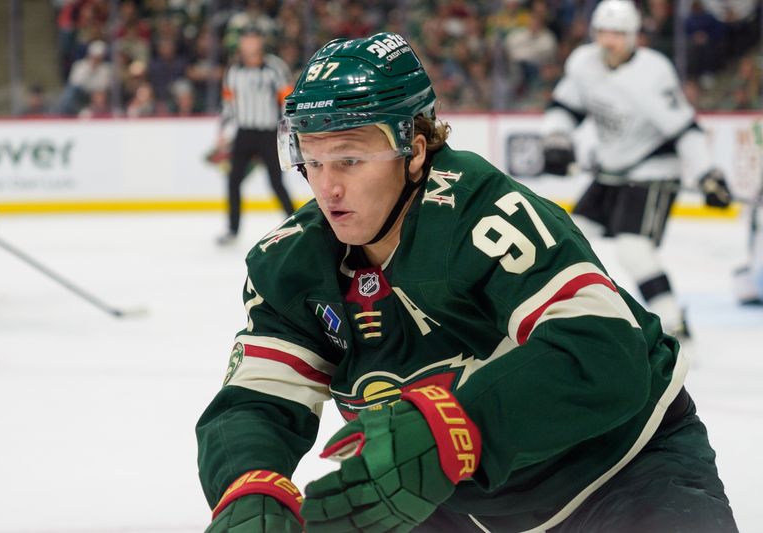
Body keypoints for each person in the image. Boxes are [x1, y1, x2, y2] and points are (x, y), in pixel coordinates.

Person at [195, 31, 737, 532]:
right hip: (456, 500)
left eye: (351, 159)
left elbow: (602, 352)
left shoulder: (485, 213)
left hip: (623, 469)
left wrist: (452, 427)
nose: (327, 187)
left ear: (416, 149)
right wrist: (248, 482)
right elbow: (257, 397)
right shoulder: (291, 261)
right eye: (310, 160)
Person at [540, 0, 733, 340]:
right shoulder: (584, 63)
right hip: (612, 171)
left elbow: (685, 129)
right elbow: (564, 107)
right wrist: (557, 140)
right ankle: (574, 313)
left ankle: (674, 321)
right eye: (602, 32)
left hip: (653, 170)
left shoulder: (653, 72)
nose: (608, 41)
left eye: (617, 34)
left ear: (633, 37)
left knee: (633, 248)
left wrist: (707, 174)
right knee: (572, 236)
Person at [214, 26, 294, 246]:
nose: (249, 44)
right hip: (244, 133)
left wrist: (286, 131)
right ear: (240, 43)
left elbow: (287, 100)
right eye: (246, 39)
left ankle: (296, 223)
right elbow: (228, 104)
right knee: (233, 181)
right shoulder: (233, 71)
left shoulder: (274, 68)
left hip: (268, 133)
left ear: (260, 42)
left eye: (253, 39)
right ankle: (232, 229)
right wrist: (222, 133)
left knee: (276, 183)